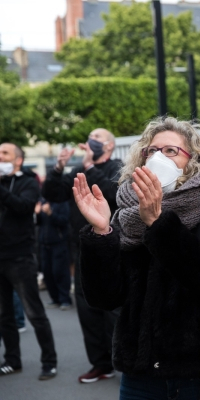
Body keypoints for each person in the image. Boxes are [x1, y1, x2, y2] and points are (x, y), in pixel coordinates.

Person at [73, 117, 200, 399]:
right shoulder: (130, 216)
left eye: (170, 151)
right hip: (140, 376)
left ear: (196, 160)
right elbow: (104, 298)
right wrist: (102, 231)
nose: (157, 157)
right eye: (151, 151)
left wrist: (158, 223)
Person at [42, 128, 121, 383]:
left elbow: (113, 194)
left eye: (97, 138)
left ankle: (122, 361)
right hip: (82, 248)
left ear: (109, 146)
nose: (90, 142)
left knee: (114, 310)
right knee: (87, 310)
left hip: (112, 247)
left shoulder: (117, 167)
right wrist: (58, 168)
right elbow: (53, 193)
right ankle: (101, 364)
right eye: (90, 138)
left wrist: (90, 167)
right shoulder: (80, 170)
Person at [0, 143, 58, 380]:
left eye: (4, 154)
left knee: (34, 313)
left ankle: (49, 362)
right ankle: (12, 360)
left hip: (20, 258)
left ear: (18, 160)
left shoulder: (28, 182)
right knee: (4, 316)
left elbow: (24, 207)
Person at [35, 199, 72, 310]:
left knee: (59, 271)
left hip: (58, 243)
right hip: (44, 243)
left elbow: (64, 220)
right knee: (47, 272)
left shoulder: (62, 202)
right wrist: (37, 214)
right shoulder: (42, 201)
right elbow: (39, 223)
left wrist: (51, 213)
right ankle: (55, 298)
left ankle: (65, 299)